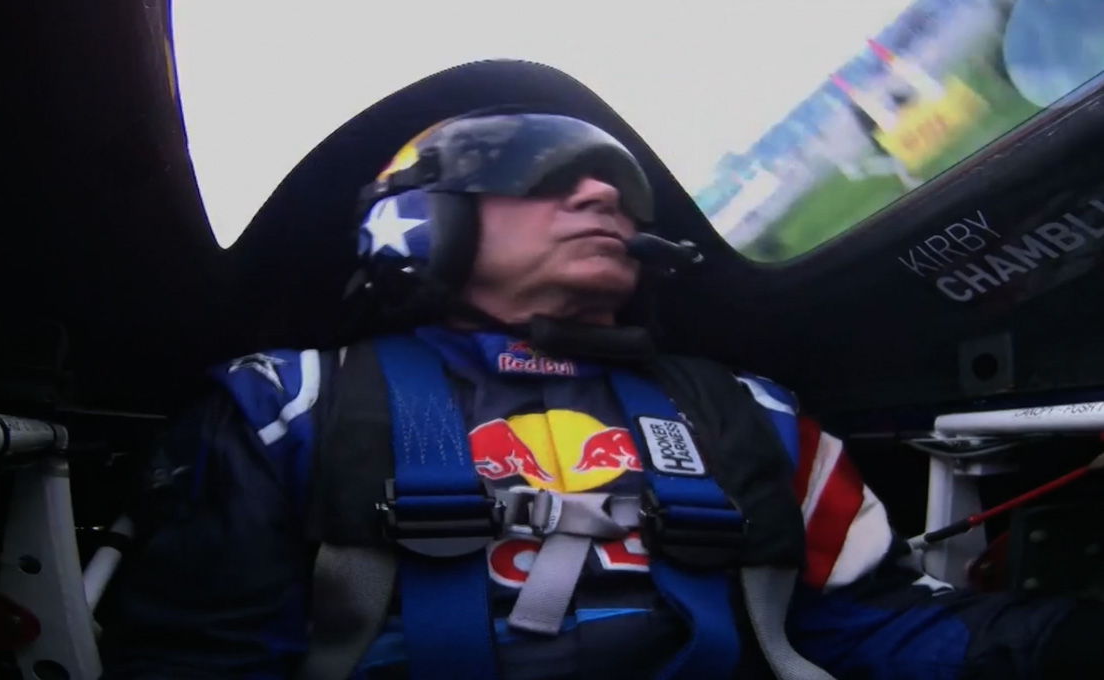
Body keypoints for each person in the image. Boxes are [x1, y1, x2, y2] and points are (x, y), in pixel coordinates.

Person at [99, 111, 1098, 680]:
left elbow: (881, 631)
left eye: (614, 190)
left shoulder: (754, 414)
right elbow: (204, 662)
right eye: (542, 180)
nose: (602, 197)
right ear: (419, 220)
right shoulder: (284, 405)